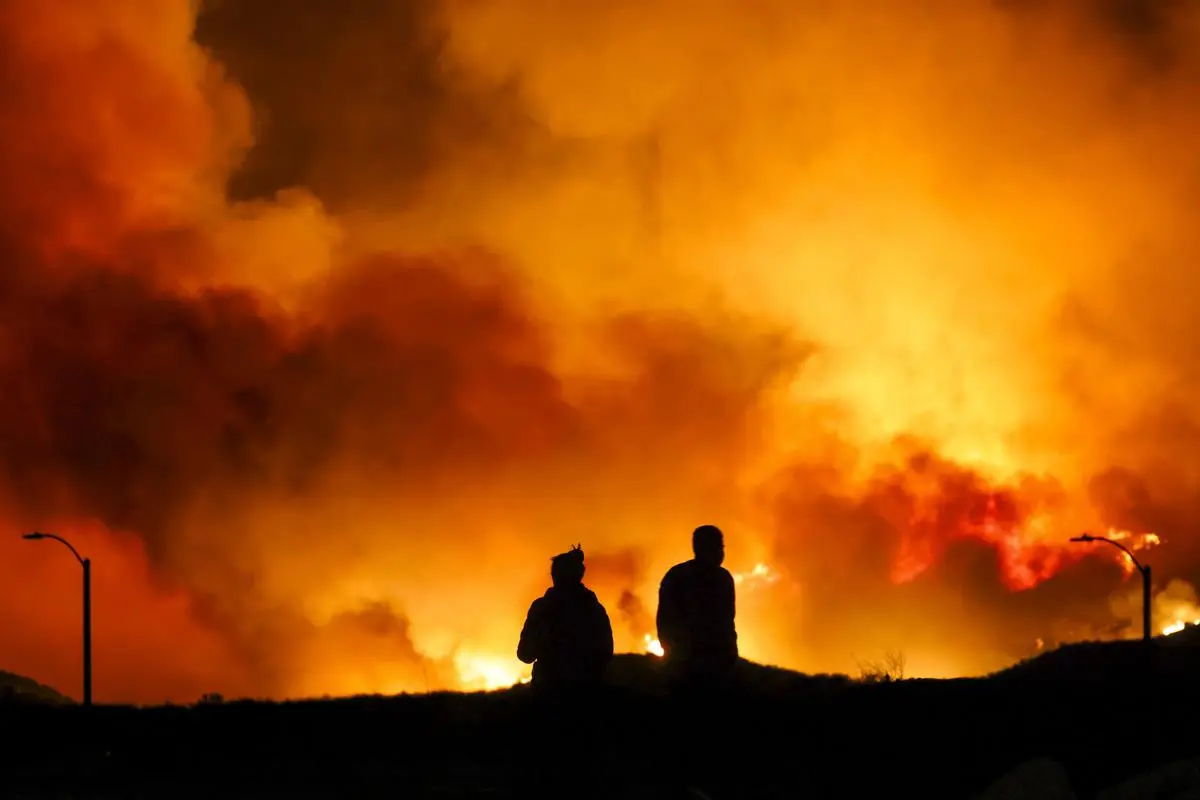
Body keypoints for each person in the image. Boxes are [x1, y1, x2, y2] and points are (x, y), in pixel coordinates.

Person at [517, 544, 614, 687]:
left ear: (554, 576)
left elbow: (525, 654)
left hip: (549, 692)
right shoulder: (593, 609)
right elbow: (606, 652)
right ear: (580, 575)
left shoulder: (542, 609)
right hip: (587, 692)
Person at [656, 524, 738, 684]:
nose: (721, 552)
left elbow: (727, 622)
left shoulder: (676, 575)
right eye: (719, 547)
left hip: (702, 663)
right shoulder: (719, 579)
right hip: (694, 664)